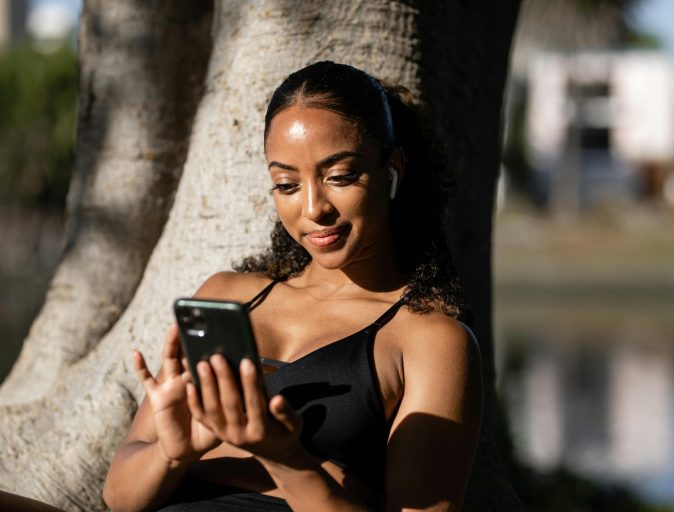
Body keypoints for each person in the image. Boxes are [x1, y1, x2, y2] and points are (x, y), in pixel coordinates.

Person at [102, 61, 482, 512]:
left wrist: (284, 458)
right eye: (286, 184)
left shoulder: (429, 341)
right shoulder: (227, 295)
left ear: (392, 169)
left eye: (339, 176)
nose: (313, 207)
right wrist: (172, 451)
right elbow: (119, 497)